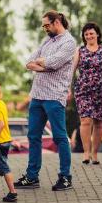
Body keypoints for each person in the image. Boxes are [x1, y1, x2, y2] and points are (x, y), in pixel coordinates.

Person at [15, 10, 77, 192]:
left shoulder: (69, 42)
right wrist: (43, 65)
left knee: (59, 137)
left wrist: (42, 64)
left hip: (55, 96)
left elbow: (54, 63)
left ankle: (65, 177)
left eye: (46, 25)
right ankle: (32, 177)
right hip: (37, 96)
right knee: (33, 136)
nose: (44, 28)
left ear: (57, 22)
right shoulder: (47, 41)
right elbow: (29, 61)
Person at [71, 22, 102, 165]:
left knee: (99, 123)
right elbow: (71, 70)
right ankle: (86, 153)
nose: (89, 36)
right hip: (83, 89)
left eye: (91, 33)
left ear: (97, 34)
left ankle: (95, 153)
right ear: (83, 37)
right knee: (85, 120)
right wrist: (67, 87)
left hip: (101, 90)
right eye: (86, 34)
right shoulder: (79, 50)